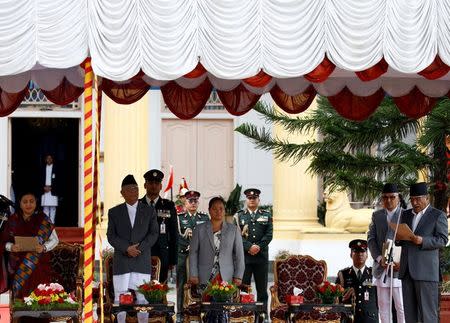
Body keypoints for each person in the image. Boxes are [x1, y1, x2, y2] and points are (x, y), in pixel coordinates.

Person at [397, 182, 448, 323]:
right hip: (406, 271)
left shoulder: (438, 215)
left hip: (426, 273)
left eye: (418, 199)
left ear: (427, 198)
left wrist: (423, 241)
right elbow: (401, 238)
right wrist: (398, 237)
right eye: (412, 199)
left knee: (428, 315)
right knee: (410, 315)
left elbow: (443, 240)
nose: (414, 202)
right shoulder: (405, 215)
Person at [107, 175, 159, 304]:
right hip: (122, 261)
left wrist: (138, 248)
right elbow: (111, 235)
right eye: (130, 189)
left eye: (136, 188)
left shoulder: (149, 211)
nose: (134, 191)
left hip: (141, 260)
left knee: (142, 297)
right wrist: (126, 248)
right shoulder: (114, 212)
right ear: (122, 193)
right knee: (121, 297)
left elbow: (154, 233)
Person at [1, 192, 59, 298]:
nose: (28, 205)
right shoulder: (13, 220)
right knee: (20, 299)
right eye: (25, 202)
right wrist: (12, 247)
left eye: (31, 201)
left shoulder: (43, 219)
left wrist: (44, 247)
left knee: (40, 296)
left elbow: (55, 240)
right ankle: (19, 313)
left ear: (36, 203)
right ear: (20, 203)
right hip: (18, 265)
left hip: (39, 262)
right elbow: (4, 242)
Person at [367, 183, 405, 323]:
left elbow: (409, 242)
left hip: (398, 267)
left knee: (401, 307)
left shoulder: (405, 214)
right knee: (383, 306)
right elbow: (371, 239)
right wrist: (378, 258)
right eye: (385, 197)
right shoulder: (377, 215)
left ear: (398, 198)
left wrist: (402, 262)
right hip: (381, 267)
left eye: (392, 197)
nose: (388, 200)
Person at [189, 196, 245, 287]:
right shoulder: (199, 229)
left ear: (224, 210)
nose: (218, 211)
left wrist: (238, 276)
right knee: (205, 301)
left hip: (226, 277)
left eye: (221, 208)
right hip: (204, 276)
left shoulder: (233, 230)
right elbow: (193, 253)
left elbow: (239, 255)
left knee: (224, 300)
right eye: (214, 209)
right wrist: (193, 274)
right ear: (209, 210)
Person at [234, 188, 272, 310]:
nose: (252, 200)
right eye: (249, 198)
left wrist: (258, 247)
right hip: (245, 257)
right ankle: (245, 313)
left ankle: (262, 313)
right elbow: (236, 235)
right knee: (244, 288)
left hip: (261, 257)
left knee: (262, 289)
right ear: (246, 200)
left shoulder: (266, 215)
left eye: (254, 198)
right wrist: (249, 246)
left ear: (258, 200)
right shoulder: (239, 216)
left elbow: (269, 234)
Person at [140, 169, 177, 284]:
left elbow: (174, 233)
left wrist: (173, 259)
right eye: (151, 183)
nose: (154, 186)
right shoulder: (138, 205)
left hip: (162, 254)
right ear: (145, 185)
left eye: (157, 183)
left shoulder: (168, 205)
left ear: (161, 186)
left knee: (160, 288)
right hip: (142, 253)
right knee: (142, 286)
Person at [176, 190, 209, 315]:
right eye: (190, 201)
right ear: (186, 202)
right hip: (183, 256)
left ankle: (202, 310)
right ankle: (180, 312)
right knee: (181, 283)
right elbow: (178, 237)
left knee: (202, 284)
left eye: (195, 201)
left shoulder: (204, 218)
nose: (193, 203)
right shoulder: (180, 218)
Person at [336, 239, 378, 323]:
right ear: (351, 255)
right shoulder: (343, 274)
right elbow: (337, 299)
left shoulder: (374, 273)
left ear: (367, 255)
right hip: (349, 319)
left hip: (370, 319)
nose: (360, 254)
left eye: (363, 251)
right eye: (356, 251)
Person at [41, 154, 59, 223]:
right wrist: (43, 187)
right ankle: (46, 223)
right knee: (45, 208)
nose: (49, 160)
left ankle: (52, 223)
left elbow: (59, 180)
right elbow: (39, 179)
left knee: (53, 208)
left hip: (52, 190)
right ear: (45, 160)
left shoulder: (56, 168)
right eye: (47, 158)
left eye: (50, 158)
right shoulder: (42, 168)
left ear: (52, 159)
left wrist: (51, 187)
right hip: (44, 189)